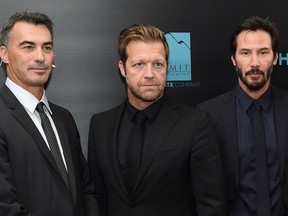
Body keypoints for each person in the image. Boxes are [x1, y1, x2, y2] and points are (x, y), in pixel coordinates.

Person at [87, 23, 226, 216]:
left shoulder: (195, 124)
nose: (150, 74)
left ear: (167, 67)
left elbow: (211, 206)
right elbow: (96, 197)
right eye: (139, 64)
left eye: (158, 64)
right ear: (123, 68)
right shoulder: (100, 125)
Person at [0, 11, 100, 216]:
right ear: (4, 54)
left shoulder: (64, 118)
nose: (40, 57)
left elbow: (85, 189)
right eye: (28, 47)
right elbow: (5, 206)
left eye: (47, 47)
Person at [198, 16, 288, 215]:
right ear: (233, 59)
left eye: (263, 52)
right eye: (245, 53)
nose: (254, 63)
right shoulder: (208, 114)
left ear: (275, 58)